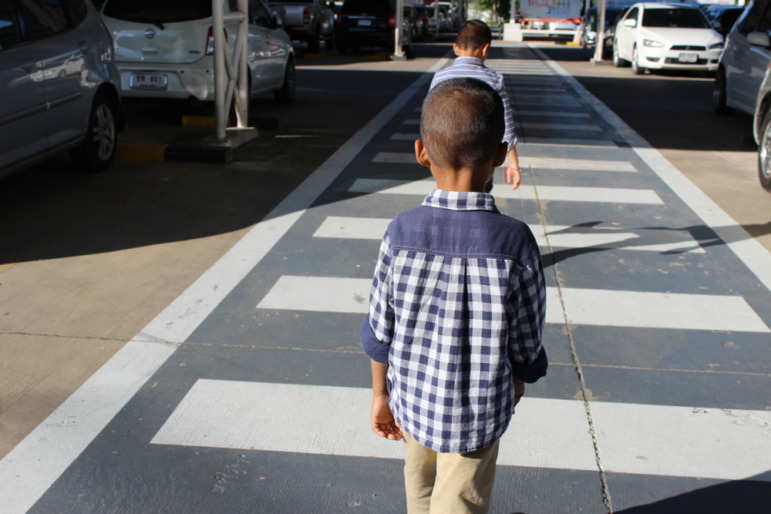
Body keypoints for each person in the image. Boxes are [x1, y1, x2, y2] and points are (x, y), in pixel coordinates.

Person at [360, 78, 548, 514]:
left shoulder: (401, 232)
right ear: (501, 155)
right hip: (478, 415)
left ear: (421, 151)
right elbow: (526, 339)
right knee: (459, 502)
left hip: (413, 403)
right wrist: (520, 377)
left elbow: (378, 330)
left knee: (420, 490)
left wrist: (380, 395)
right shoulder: (515, 242)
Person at [430, 19, 521, 193]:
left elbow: (430, 118)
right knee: (480, 198)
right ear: (485, 48)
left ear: (456, 47)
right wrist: (514, 165)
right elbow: (506, 125)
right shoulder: (495, 79)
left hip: (446, 156)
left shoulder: (440, 77)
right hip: (481, 159)